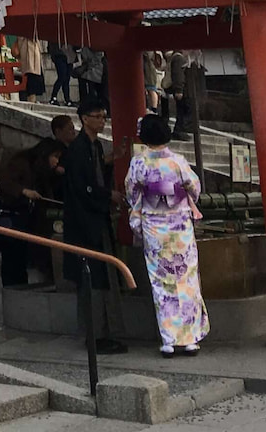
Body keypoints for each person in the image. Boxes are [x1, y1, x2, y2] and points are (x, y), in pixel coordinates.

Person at [125, 113, 208, 357]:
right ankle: (190, 339)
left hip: (154, 227)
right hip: (180, 226)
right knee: (187, 279)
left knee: (162, 283)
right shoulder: (178, 162)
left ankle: (169, 340)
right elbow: (194, 189)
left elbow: (131, 192)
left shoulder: (139, 163)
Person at [62, 102, 126, 354]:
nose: (102, 121)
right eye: (97, 116)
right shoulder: (77, 150)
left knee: (103, 277)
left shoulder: (95, 146)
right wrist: (106, 195)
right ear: (84, 119)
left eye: (103, 117)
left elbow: (98, 171)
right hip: (84, 222)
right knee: (91, 278)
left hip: (98, 219)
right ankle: (94, 335)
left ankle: (105, 331)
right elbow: (82, 187)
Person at [0, 144, 64, 286]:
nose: (56, 161)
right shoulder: (22, 164)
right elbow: (3, 181)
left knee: (22, 259)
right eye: (54, 157)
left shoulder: (42, 171)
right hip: (12, 217)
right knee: (12, 260)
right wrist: (24, 191)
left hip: (28, 219)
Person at [75, 46, 107, 112]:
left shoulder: (97, 50)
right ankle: (86, 101)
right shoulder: (85, 48)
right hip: (91, 72)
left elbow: (94, 60)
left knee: (96, 90)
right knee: (89, 87)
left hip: (95, 71)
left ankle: (93, 103)